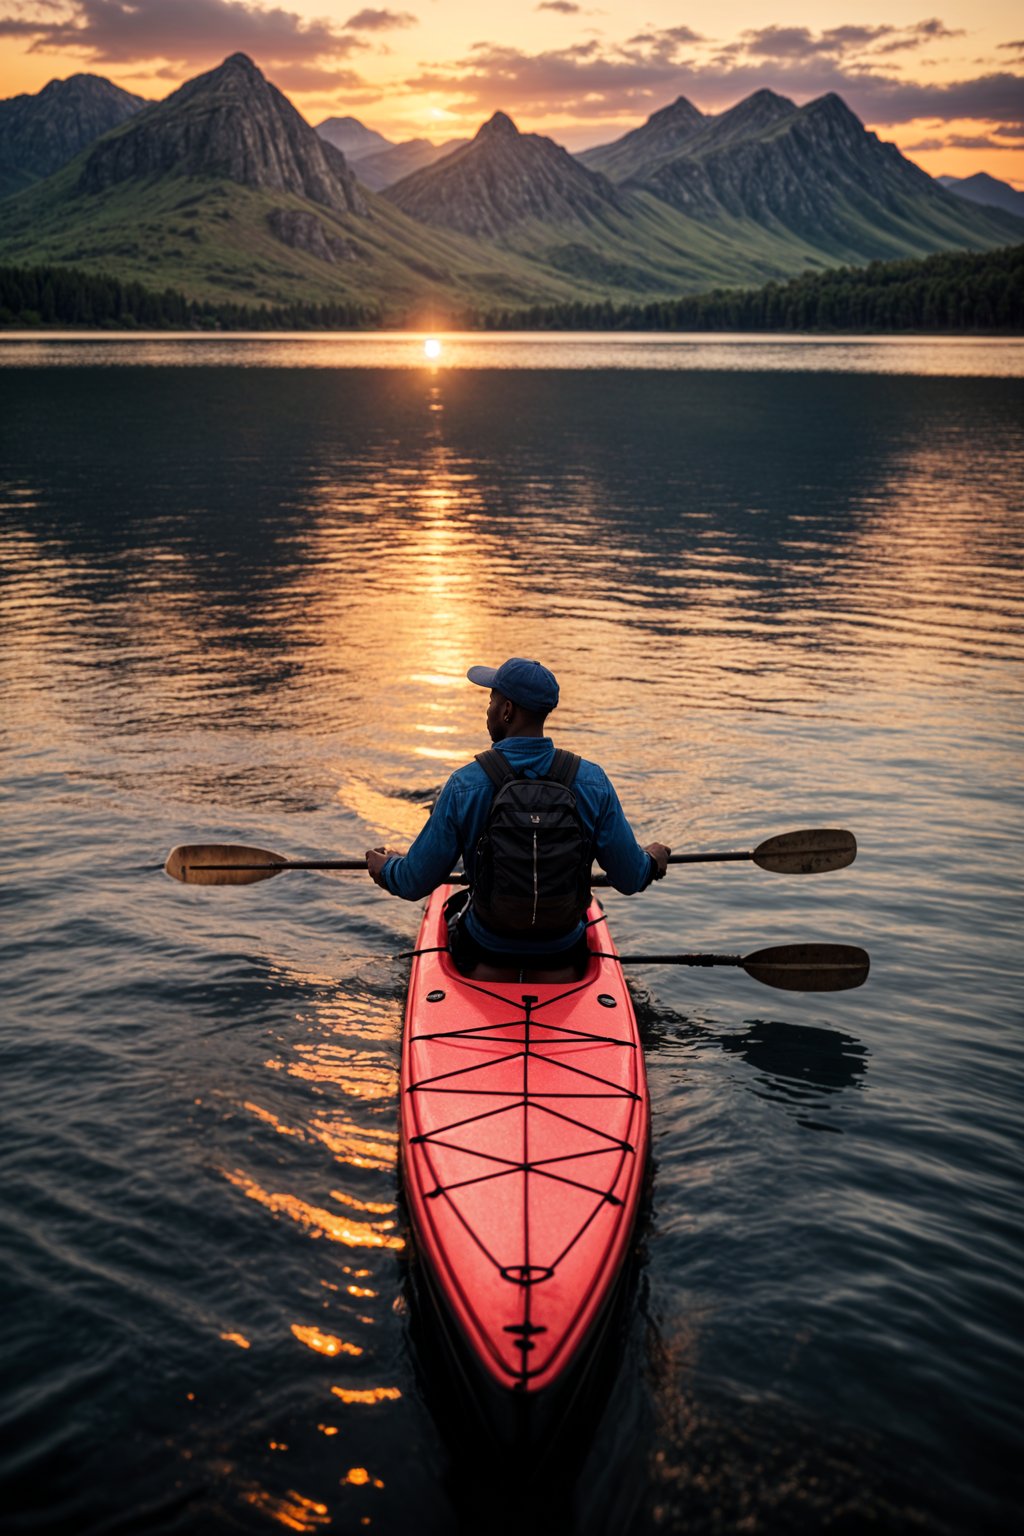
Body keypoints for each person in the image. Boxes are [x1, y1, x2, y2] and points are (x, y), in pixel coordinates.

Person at [366, 659, 670, 982]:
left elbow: (414, 882)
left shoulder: (464, 785)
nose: (488, 710)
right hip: (563, 952)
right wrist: (652, 859)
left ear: (507, 710)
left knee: (454, 915)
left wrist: (384, 867)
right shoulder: (592, 782)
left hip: (486, 949)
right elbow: (630, 877)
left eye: (491, 701)